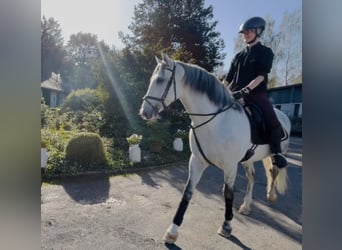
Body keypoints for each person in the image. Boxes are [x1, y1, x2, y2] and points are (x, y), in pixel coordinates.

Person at [224, 16, 287, 168]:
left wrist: (245, 90)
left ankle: (276, 152)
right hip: (235, 93)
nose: (246, 34)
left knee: (271, 119)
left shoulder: (265, 52)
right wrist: (220, 90)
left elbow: (261, 76)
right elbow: (228, 79)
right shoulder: (238, 56)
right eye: (244, 32)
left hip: (255, 94)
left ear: (258, 32)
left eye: (250, 31)